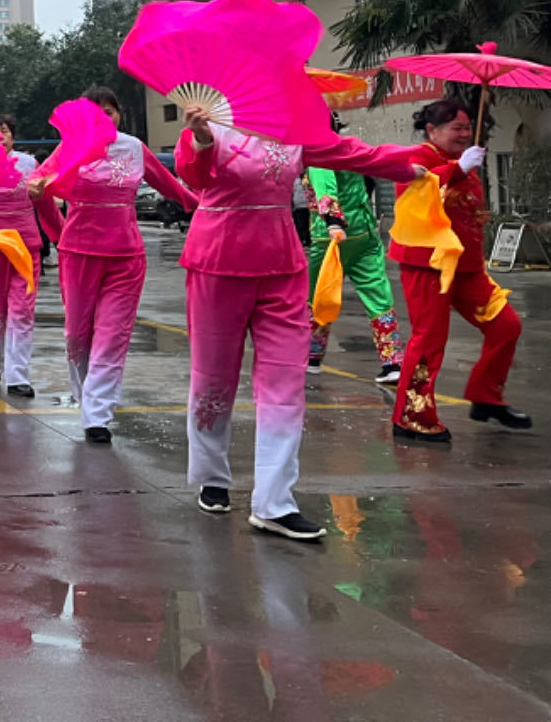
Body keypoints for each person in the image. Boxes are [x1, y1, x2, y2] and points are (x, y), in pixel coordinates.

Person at [176, 106, 421, 541]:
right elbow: (194, 177)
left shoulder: (296, 126)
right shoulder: (208, 122)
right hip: (218, 261)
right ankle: (213, 476)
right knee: (213, 379)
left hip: (281, 262)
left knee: (285, 383)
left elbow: (354, 153)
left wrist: (421, 159)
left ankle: (274, 503)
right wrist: (203, 141)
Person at [34, 87, 196, 444]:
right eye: (97, 112)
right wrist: (55, 226)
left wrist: (203, 206)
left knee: (112, 336)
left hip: (126, 256)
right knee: (78, 336)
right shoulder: (70, 148)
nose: (106, 118)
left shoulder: (134, 148)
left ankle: (98, 415)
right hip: (78, 254)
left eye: (112, 111)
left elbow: (171, 187)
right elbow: (39, 186)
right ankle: (86, 396)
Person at [388, 100, 531, 442]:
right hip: (428, 264)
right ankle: (412, 415)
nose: (465, 134)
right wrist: (457, 170)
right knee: (429, 340)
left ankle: (486, 397)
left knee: (506, 325)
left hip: (467, 267)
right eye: (457, 128)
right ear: (432, 131)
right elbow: (415, 196)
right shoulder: (418, 158)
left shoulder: (466, 159)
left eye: (467, 127)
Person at [305, 114, 404, 385]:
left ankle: (312, 357)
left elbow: (326, 189)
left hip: (331, 237)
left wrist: (334, 221)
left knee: (321, 296)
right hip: (365, 232)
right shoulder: (351, 146)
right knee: (379, 296)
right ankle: (392, 360)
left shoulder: (317, 151)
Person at [0, 113, 63, 399]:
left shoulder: (29, 164)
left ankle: (18, 375)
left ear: (13, 136)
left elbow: (44, 202)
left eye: (6, 131)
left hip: (25, 245)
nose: (2, 136)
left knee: (22, 310)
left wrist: (63, 234)